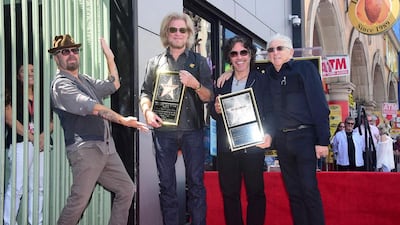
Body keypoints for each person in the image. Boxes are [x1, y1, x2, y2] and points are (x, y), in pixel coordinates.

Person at [218, 33, 329, 225]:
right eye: (271, 49)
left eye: (280, 48)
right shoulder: (267, 75)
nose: (275, 53)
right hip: (283, 142)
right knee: (294, 193)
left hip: (304, 137)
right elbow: (241, 71)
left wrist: (322, 140)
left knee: (309, 190)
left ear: (291, 51)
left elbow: (319, 104)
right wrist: (228, 73)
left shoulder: (305, 69)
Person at [49, 34, 148, 225]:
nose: (71, 54)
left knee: (126, 189)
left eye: (75, 50)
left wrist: (110, 57)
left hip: (106, 148)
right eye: (65, 51)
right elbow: (94, 108)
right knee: (79, 201)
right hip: (86, 149)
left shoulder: (84, 80)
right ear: (56, 58)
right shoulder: (61, 84)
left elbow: (114, 84)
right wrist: (123, 120)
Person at [139, 12, 213, 225]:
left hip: (193, 131)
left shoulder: (199, 62)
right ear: (166, 33)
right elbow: (145, 93)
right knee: (167, 185)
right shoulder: (155, 62)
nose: (178, 34)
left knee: (196, 184)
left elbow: (209, 96)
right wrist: (147, 112)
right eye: (173, 29)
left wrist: (195, 84)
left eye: (183, 30)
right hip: (164, 133)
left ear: (189, 33)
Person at [210, 36, 271, 225]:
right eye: (234, 53)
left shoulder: (262, 80)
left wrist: (270, 134)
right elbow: (213, 112)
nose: (239, 57)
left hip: (253, 146)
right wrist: (215, 109)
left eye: (243, 52)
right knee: (229, 195)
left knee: (256, 194)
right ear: (230, 57)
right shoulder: (222, 83)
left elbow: (271, 111)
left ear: (250, 54)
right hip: (228, 148)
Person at [3, 63, 50, 225]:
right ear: (18, 76)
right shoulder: (11, 94)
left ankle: (36, 221)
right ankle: (9, 222)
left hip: (40, 145)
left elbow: (50, 121)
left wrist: (42, 136)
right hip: (21, 143)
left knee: (38, 187)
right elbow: (9, 118)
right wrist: (32, 137)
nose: (31, 73)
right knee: (17, 186)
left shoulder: (42, 96)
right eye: (25, 71)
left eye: (33, 70)